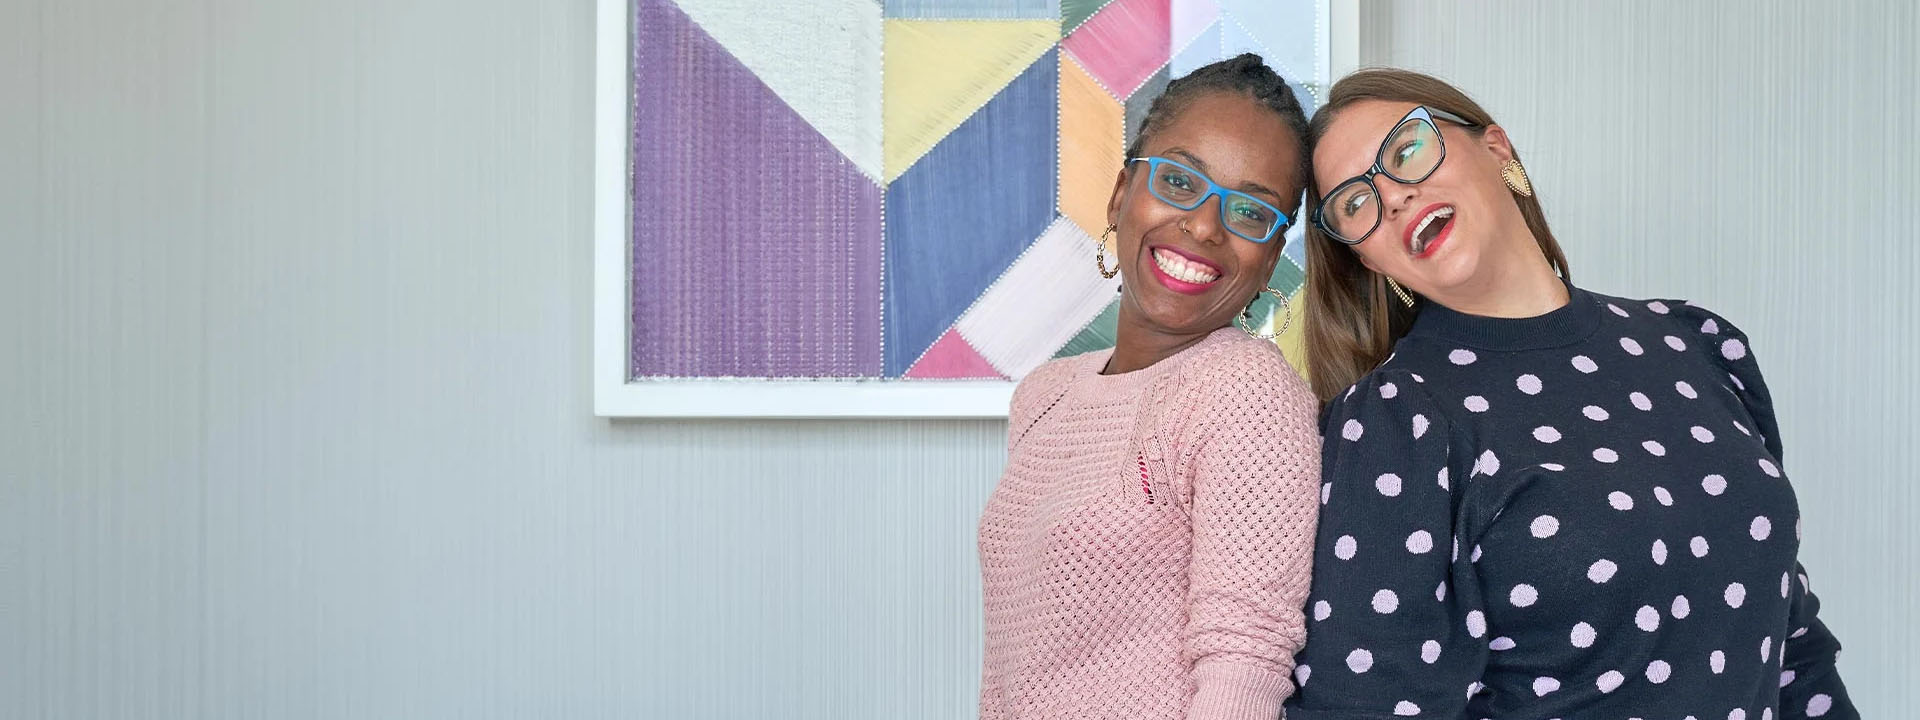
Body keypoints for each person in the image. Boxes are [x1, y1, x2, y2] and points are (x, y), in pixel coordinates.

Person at [1284, 68, 1857, 720]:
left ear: (1497, 149)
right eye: (1355, 203)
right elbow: (1363, 707)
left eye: (1406, 151)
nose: (1390, 197)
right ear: (1371, 261)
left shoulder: (1695, 342)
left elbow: (1792, 647)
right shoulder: (1396, 422)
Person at [976, 54, 1321, 719]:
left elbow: (1245, 661)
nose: (1204, 226)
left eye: (1251, 212)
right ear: (1118, 195)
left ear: (1272, 255)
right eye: (1179, 180)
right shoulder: (1045, 395)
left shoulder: (1245, 389)